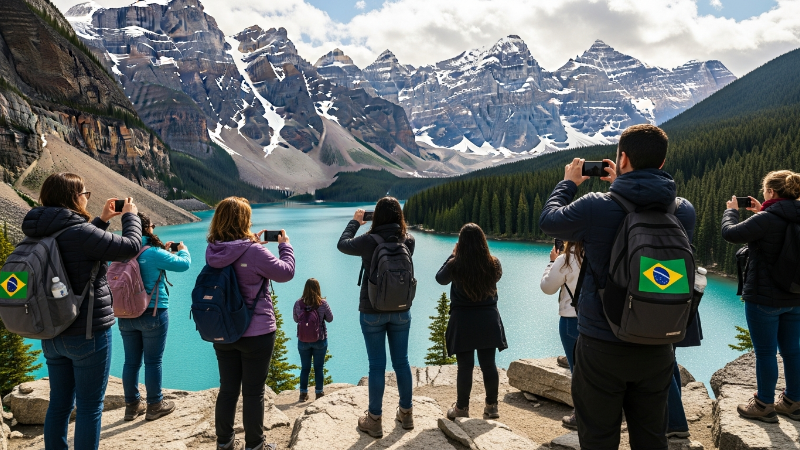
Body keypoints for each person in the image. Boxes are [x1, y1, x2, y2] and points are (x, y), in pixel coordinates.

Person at [539, 124, 696, 449]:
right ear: (662, 163)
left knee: (598, 439)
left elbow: (549, 220)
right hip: (657, 347)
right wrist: (624, 185)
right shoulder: (683, 210)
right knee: (652, 440)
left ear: (622, 158)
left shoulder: (596, 205)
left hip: (601, 345)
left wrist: (569, 181)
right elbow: (643, 207)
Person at [21, 172, 141, 450]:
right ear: (74, 197)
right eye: (85, 194)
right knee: (89, 407)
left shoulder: (37, 230)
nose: (86, 198)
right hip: (87, 333)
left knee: (60, 404)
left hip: (51, 333)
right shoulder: (80, 232)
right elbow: (130, 248)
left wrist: (100, 220)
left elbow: (79, 250)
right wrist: (130, 216)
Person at [205, 197, 295, 450]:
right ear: (244, 221)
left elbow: (234, 256)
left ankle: (224, 442)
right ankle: (254, 445)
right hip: (256, 333)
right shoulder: (254, 251)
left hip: (224, 331)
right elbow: (286, 272)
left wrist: (250, 242)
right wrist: (285, 246)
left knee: (227, 389)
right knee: (253, 392)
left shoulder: (213, 250)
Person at [721, 170, 800, 423]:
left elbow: (730, 233)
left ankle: (764, 404)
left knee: (765, 352)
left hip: (764, 299)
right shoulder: (783, 215)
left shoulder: (767, 219)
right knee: (792, 351)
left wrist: (731, 210)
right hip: (796, 296)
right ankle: (793, 402)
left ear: (771, 192)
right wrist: (759, 214)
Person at [337, 197, 415, 438]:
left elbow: (342, 244)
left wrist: (355, 222)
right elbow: (403, 239)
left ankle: (374, 419)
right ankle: (406, 413)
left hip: (372, 311)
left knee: (377, 366)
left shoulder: (369, 241)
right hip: (402, 309)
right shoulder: (409, 241)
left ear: (377, 216)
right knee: (401, 361)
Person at [119, 212, 191, 422]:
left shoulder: (121, 251)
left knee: (131, 362)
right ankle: (154, 405)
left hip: (125, 313)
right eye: (152, 225)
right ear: (147, 228)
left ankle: (131, 407)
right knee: (153, 361)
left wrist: (163, 252)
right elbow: (183, 264)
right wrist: (183, 251)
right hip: (153, 313)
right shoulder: (153, 253)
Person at [435, 223, 506, 421]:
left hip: (463, 321)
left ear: (461, 244)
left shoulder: (455, 264)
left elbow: (440, 279)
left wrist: (453, 255)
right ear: (483, 242)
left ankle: (462, 409)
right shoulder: (494, 263)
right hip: (487, 320)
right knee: (488, 365)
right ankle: (492, 407)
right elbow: (497, 278)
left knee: (465, 367)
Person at [540, 240, 583, 429]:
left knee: (578, 371)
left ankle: (580, 416)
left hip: (572, 320)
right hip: (598, 319)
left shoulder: (566, 258)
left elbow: (547, 287)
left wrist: (552, 262)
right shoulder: (599, 251)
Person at [293, 278, 334, 402]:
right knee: (318, 368)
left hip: (303, 341)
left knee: (305, 368)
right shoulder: (323, 303)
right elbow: (330, 318)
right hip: (320, 340)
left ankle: (303, 394)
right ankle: (319, 393)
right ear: (318, 288)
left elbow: (296, 319)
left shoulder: (298, 303)